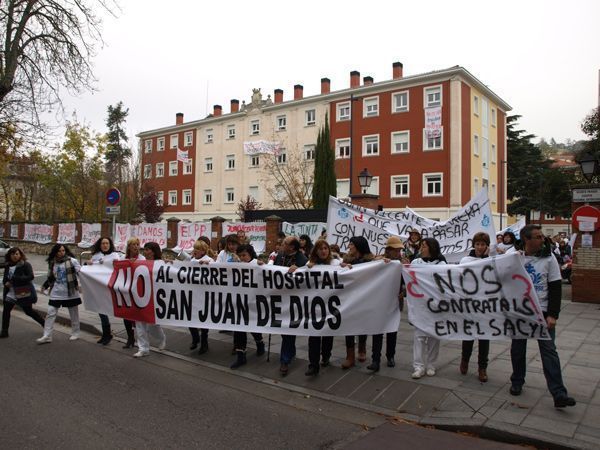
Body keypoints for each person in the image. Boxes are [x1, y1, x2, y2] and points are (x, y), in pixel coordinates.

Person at [509, 225, 576, 408]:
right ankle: (517, 381)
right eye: (538, 236)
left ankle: (558, 393)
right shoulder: (514, 258)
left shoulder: (549, 259)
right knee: (517, 349)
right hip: (521, 312)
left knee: (549, 352)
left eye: (542, 236)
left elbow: (555, 287)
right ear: (526, 240)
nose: (543, 239)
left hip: (543, 312)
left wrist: (553, 314)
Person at [304, 240, 341, 376]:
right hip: (314, 307)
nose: (323, 251)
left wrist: (345, 267)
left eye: (325, 248)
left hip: (331, 306)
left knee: (327, 334)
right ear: (316, 251)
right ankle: (313, 364)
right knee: (313, 336)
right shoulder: (310, 265)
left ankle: (326, 356)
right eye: (320, 249)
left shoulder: (336, 264)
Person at [411, 237, 446, 378]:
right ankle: (418, 366)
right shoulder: (415, 263)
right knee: (419, 337)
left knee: (434, 337)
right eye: (421, 246)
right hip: (420, 306)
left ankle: (431, 364)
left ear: (432, 248)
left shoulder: (442, 264)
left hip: (436, 306)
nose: (421, 249)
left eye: (424, 246)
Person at [368, 236, 404, 372]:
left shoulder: (403, 263)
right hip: (379, 302)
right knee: (377, 330)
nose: (398, 253)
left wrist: (404, 292)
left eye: (399, 250)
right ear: (388, 250)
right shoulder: (380, 261)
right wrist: (379, 261)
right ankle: (375, 359)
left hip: (395, 301)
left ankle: (390, 356)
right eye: (395, 250)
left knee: (392, 330)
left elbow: (408, 281)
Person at [459, 232, 491, 382]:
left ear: (487, 246)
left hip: (485, 305)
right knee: (468, 336)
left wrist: (486, 258)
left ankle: (482, 367)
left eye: (483, 244)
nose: (480, 247)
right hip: (470, 305)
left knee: (484, 337)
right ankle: (465, 360)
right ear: (474, 245)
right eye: (477, 244)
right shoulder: (466, 260)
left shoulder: (491, 260)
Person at [274, 236, 308, 376]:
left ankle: (285, 360)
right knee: (285, 329)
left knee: (288, 328)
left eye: (284, 243)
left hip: (294, 300)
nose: (281, 245)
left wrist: (299, 269)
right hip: (280, 298)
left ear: (292, 247)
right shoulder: (280, 256)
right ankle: (290, 352)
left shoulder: (302, 260)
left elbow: (307, 275)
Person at [37, 244, 82, 344]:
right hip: (56, 292)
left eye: (63, 250)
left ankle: (76, 332)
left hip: (70, 292)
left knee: (74, 314)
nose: (62, 253)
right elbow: (51, 277)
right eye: (59, 251)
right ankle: (47, 335)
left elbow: (81, 272)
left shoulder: (72, 261)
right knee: (50, 312)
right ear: (55, 252)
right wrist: (45, 285)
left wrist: (82, 283)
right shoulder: (52, 262)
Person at [341, 236, 374, 369]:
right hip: (349, 297)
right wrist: (342, 268)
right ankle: (350, 356)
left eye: (352, 244)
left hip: (364, 297)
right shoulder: (347, 260)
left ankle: (362, 348)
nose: (349, 246)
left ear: (359, 246)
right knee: (348, 326)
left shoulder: (370, 261)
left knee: (362, 324)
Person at [230, 244, 266, 369]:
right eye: (239, 256)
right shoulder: (237, 266)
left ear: (251, 254)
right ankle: (241, 356)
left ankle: (260, 342)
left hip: (254, 303)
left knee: (253, 327)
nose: (242, 258)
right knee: (239, 329)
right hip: (240, 302)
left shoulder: (258, 265)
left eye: (244, 255)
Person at [133, 242, 167, 358]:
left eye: (148, 250)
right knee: (139, 322)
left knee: (152, 324)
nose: (145, 252)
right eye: (145, 250)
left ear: (153, 251)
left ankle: (161, 338)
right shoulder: (140, 261)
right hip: (141, 295)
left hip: (155, 297)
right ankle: (143, 348)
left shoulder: (160, 263)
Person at [1, 247, 45, 337]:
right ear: (9, 255)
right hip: (11, 293)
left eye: (17, 254)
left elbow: (30, 277)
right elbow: (5, 279)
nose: (15, 256)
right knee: (6, 310)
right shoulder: (8, 265)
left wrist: (16, 279)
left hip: (22, 292)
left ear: (20, 255)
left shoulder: (25, 265)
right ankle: (4, 331)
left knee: (28, 311)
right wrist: (6, 283)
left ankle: (44, 324)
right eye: (13, 254)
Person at [88, 237, 120, 345]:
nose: (105, 245)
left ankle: (109, 335)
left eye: (107, 243)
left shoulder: (115, 256)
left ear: (110, 245)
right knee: (101, 311)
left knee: (105, 310)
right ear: (100, 245)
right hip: (99, 287)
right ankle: (106, 334)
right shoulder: (96, 256)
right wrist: (89, 264)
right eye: (103, 243)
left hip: (110, 286)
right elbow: (91, 268)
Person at [189, 239, 214, 354]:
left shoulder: (210, 261)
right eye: (194, 248)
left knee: (204, 321)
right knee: (190, 319)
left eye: (197, 249)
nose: (195, 251)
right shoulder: (192, 260)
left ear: (203, 251)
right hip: (193, 294)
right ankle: (195, 338)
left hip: (205, 295)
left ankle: (204, 343)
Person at [122, 237, 145, 349]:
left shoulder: (142, 258)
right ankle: (130, 338)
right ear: (129, 247)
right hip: (126, 290)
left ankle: (140, 340)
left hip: (138, 291)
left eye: (137, 244)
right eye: (133, 244)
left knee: (137, 316)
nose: (136, 246)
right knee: (126, 315)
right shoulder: (123, 258)